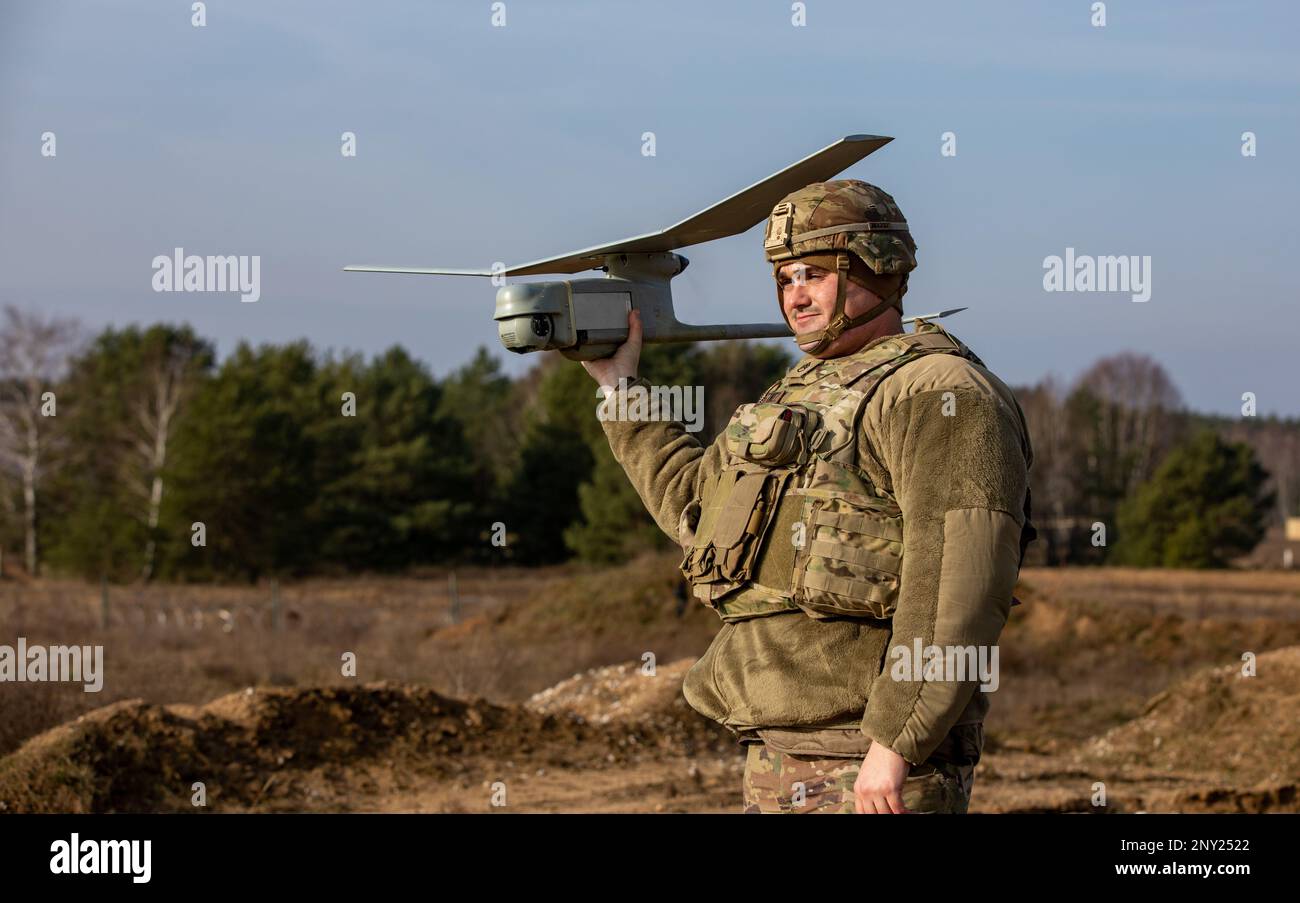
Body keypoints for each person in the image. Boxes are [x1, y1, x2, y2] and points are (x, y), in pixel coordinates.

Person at [583, 180, 1035, 813]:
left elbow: (958, 582)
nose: (795, 295)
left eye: (815, 274)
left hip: (869, 760)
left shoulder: (940, 393)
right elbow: (695, 510)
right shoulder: (798, 393)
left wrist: (895, 746)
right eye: (784, 277)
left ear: (879, 268)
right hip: (776, 748)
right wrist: (621, 388)